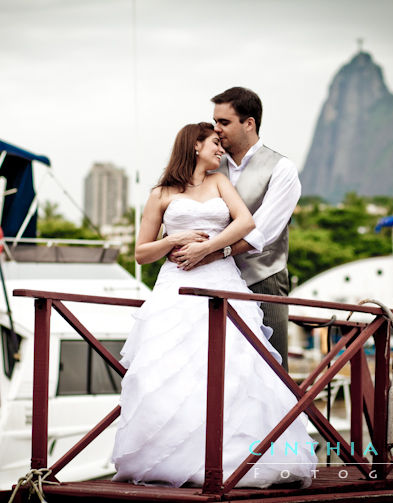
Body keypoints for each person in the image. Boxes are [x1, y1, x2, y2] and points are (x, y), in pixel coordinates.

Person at [111, 122, 316, 488]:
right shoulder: (160, 193)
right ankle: (170, 456)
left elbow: (246, 222)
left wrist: (209, 246)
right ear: (194, 146)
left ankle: (236, 458)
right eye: (214, 143)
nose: (220, 149)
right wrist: (173, 238)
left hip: (220, 278)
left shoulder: (220, 182)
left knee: (235, 364)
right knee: (172, 368)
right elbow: (141, 253)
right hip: (176, 286)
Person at [174, 87, 300, 372]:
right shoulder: (209, 167)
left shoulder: (282, 169)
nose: (216, 129)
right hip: (210, 280)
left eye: (224, 122)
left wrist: (212, 253)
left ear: (249, 123)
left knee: (271, 368)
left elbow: (263, 233)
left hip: (263, 279)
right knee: (213, 368)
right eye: (215, 121)